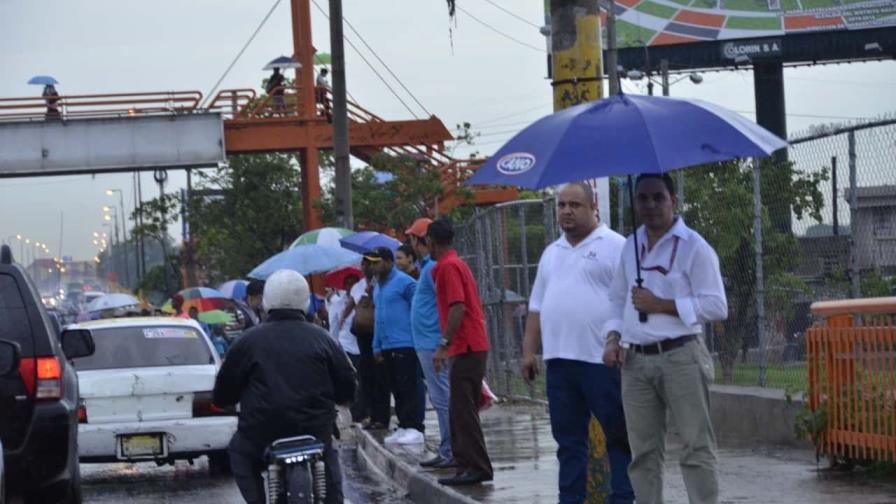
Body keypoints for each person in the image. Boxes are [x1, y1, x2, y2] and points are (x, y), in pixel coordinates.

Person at [602, 173, 728, 504]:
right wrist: (613, 338)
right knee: (643, 453)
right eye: (643, 198)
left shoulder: (694, 248)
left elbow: (716, 305)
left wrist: (661, 305)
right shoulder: (630, 246)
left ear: (674, 201)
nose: (651, 205)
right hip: (635, 361)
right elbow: (617, 298)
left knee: (695, 446)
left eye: (659, 197)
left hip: (681, 356)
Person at [521, 182, 633, 504]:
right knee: (569, 443)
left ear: (592, 206)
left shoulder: (615, 246)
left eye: (575, 205)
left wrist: (620, 343)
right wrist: (529, 352)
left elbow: (627, 301)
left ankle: (623, 498)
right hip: (559, 363)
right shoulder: (551, 253)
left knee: (618, 438)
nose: (567, 211)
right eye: (562, 205)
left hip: (602, 362)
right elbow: (536, 308)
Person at [213, 269, 357, 504]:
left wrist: (226, 401)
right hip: (315, 428)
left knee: (238, 454)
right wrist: (341, 399)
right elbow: (347, 385)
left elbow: (223, 392)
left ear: (267, 301)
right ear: (305, 301)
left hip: (261, 431)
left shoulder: (246, 341)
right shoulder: (324, 339)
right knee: (329, 454)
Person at [428, 219, 493, 486]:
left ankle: (477, 467)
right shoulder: (449, 265)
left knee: (463, 409)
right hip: (465, 345)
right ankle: (466, 463)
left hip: (466, 345)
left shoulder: (449, 267)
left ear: (432, 241)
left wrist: (443, 345)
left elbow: (458, 307)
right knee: (460, 408)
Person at [406, 217, 454, 469]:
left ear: (423, 239)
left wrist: (442, 343)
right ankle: (449, 448)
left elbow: (448, 303)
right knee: (440, 397)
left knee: (442, 398)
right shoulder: (427, 268)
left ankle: (450, 450)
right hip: (427, 341)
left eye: (413, 238)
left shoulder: (434, 268)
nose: (411, 244)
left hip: (432, 341)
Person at [367, 246, 425, 444]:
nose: (373, 266)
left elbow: (418, 309)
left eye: (377, 262)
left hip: (405, 342)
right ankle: (404, 424)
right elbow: (377, 318)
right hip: (386, 344)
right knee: (396, 388)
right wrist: (376, 345)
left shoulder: (405, 283)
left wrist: (418, 337)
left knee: (408, 386)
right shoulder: (377, 286)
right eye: (371, 263)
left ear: (389, 262)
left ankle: (415, 427)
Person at [341, 258, 390, 430]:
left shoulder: (383, 283)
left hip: (380, 336)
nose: (367, 267)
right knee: (365, 377)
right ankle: (369, 414)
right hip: (362, 338)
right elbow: (352, 304)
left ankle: (381, 416)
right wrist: (342, 318)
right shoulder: (359, 287)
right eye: (364, 264)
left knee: (381, 377)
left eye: (371, 263)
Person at [328, 272, 366, 422]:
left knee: (364, 381)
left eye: (354, 282)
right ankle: (355, 410)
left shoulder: (363, 301)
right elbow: (334, 328)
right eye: (348, 283)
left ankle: (364, 410)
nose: (351, 286)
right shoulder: (338, 304)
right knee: (352, 380)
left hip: (362, 346)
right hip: (346, 347)